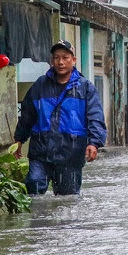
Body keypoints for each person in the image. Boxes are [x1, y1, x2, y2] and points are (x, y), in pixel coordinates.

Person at [14, 40, 107, 195]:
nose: (61, 62)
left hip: (70, 154)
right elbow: (28, 114)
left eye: (65, 58)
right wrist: (19, 139)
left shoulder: (85, 88)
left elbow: (95, 117)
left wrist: (94, 143)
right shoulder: (40, 85)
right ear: (52, 61)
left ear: (74, 60)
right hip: (41, 153)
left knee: (67, 200)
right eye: (56, 58)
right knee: (33, 187)